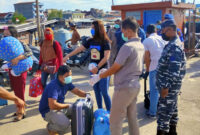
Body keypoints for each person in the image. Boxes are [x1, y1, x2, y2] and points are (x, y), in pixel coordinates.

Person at [90, 17, 145, 135]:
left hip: (124, 88)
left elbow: (115, 67)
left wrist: (100, 76)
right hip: (134, 86)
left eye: (123, 30)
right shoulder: (140, 45)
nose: (122, 33)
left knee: (115, 120)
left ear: (128, 30)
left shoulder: (128, 47)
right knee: (132, 118)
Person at [63, 20, 112, 111]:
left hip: (103, 70)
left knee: (104, 92)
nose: (91, 29)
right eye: (91, 27)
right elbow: (79, 49)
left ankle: (110, 112)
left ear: (98, 29)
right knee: (97, 91)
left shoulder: (105, 41)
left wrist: (97, 67)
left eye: (93, 28)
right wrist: (68, 56)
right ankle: (100, 110)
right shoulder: (90, 40)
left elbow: (106, 57)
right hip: (93, 69)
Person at [39, 65, 90, 135]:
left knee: (80, 110)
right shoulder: (53, 86)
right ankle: (51, 127)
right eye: (67, 76)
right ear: (60, 76)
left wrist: (87, 95)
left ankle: (59, 120)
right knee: (66, 125)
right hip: (48, 110)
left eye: (70, 75)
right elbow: (52, 106)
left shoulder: (66, 82)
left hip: (59, 105)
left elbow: (77, 91)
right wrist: (67, 105)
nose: (70, 77)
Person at [156, 20, 186, 135]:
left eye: (163, 31)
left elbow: (174, 71)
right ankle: (173, 132)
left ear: (171, 30)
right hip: (171, 88)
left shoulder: (174, 47)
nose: (161, 33)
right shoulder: (172, 44)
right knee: (172, 112)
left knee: (163, 117)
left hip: (168, 89)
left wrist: (165, 87)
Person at [3, 26, 33, 121]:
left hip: (20, 70)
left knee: (20, 91)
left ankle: (22, 111)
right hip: (11, 70)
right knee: (15, 91)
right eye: (4, 35)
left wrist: (17, 58)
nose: (5, 37)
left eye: (8, 35)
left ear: (14, 35)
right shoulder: (5, 44)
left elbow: (29, 53)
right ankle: (18, 109)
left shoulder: (20, 43)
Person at [143, 24, 165, 118]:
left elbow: (147, 58)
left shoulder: (147, 40)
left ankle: (152, 113)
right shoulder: (162, 38)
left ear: (147, 32)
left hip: (154, 68)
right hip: (165, 67)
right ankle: (163, 111)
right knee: (164, 89)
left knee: (154, 91)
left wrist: (147, 70)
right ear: (156, 31)